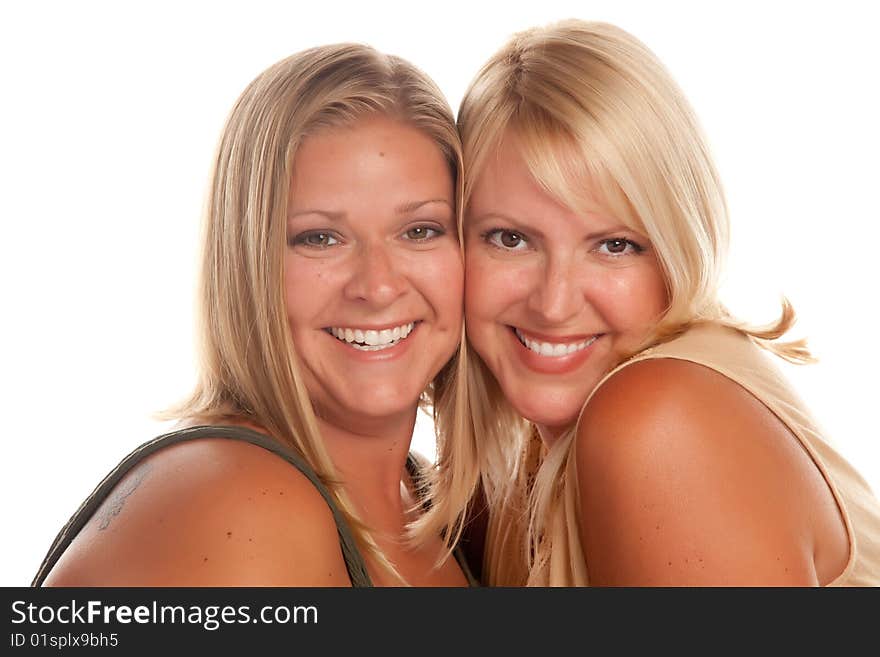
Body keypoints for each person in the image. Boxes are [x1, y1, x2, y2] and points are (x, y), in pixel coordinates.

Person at [34, 43, 479, 587]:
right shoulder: (239, 505)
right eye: (319, 238)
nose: (379, 285)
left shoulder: (435, 504)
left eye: (420, 231)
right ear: (246, 264)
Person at [458, 19, 880, 586]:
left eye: (615, 246)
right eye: (511, 239)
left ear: (679, 250)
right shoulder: (515, 462)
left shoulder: (657, 421)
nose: (554, 303)